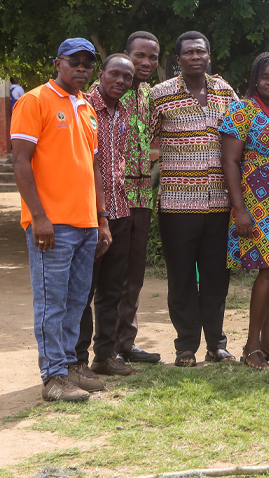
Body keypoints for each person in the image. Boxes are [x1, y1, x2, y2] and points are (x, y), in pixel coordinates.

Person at [11, 37, 112, 402]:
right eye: (75, 62)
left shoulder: (86, 107)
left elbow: (93, 167)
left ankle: (69, 366)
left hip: (84, 224)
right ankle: (53, 376)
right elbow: (20, 161)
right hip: (51, 224)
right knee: (52, 301)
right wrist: (38, 216)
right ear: (58, 63)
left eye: (88, 63)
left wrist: (100, 219)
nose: (82, 69)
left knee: (74, 301)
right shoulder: (35, 100)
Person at [150, 31, 238, 367]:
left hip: (219, 204)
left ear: (209, 56)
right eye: (188, 52)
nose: (195, 56)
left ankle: (217, 344)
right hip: (177, 206)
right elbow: (144, 136)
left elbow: (246, 128)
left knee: (216, 277)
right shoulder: (161, 95)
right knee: (182, 276)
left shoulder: (225, 91)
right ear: (178, 59)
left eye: (201, 50)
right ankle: (186, 346)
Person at [220, 52, 269, 369]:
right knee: (268, 270)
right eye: (264, 77)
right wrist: (239, 208)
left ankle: (268, 342)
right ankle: (252, 344)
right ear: (255, 79)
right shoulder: (242, 111)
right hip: (256, 198)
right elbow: (230, 161)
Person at [75, 54, 136, 380]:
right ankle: (78, 360)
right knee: (84, 291)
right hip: (88, 216)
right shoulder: (83, 106)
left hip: (120, 212)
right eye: (115, 74)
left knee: (113, 290)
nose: (121, 82)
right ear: (101, 74)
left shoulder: (124, 111)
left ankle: (105, 356)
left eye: (126, 78)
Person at [116, 32, 162, 364]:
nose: (146, 62)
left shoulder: (152, 96)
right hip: (109, 198)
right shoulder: (101, 96)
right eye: (139, 56)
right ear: (126, 55)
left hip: (142, 197)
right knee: (106, 275)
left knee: (134, 274)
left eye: (152, 57)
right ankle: (98, 349)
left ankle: (125, 344)